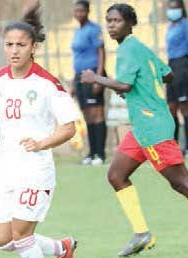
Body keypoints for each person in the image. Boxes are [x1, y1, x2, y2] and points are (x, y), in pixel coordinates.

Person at [81, 4, 188, 257]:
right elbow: (166, 75)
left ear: (130, 23)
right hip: (145, 126)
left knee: (181, 183)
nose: (112, 25)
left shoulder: (127, 50)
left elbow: (124, 84)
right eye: (109, 20)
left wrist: (96, 78)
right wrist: (142, 88)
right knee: (116, 175)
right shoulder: (141, 49)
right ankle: (142, 234)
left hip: (152, 126)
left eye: (117, 21)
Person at [0, 4, 80, 258]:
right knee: (3, 240)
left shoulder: (48, 84)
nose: (15, 50)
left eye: (21, 44)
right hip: (5, 172)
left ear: (33, 47)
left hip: (35, 170)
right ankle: (62, 248)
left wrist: (42, 142)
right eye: (9, 45)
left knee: (21, 236)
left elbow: (69, 128)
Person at [70, 0, 107, 165]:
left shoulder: (94, 29)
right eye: (76, 11)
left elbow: (101, 53)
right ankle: (91, 153)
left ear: (87, 11)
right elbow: (77, 58)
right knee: (87, 115)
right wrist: (73, 81)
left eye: (81, 11)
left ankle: (100, 153)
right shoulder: (77, 31)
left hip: (92, 74)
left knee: (97, 114)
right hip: (80, 77)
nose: (79, 14)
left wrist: (99, 78)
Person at [164, 0, 188, 157]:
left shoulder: (186, 25)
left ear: (181, 9)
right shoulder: (170, 27)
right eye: (170, 8)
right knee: (171, 108)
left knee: (185, 107)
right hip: (171, 66)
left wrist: (186, 64)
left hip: (183, 66)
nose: (172, 11)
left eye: (175, 8)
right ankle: (175, 147)